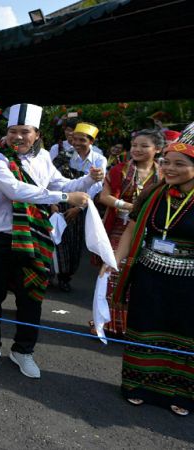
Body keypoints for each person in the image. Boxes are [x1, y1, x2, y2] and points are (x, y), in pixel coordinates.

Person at [0, 103, 102, 379]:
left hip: (32, 236)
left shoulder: (42, 160)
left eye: (24, 132)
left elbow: (62, 183)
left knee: (31, 297)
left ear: (36, 134)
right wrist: (64, 199)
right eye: (13, 131)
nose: (18, 137)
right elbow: (17, 191)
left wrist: (88, 179)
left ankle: (23, 350)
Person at [106, 135, 194, 417]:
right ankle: (138, 385)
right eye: (167, 162)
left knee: (183, 333)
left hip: (188, 282)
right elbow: (131, 230)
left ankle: (181, 393)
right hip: (149, 276)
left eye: (179, 164)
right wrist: (114, 261)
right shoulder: (153, 194)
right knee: (144, 327)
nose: (170, 169)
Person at [97, 129, 162, 336]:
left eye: (144, 146)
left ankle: (130, 326)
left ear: (157, 149)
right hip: (119, 228)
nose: (137, 149)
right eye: (135, 145)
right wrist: (126, 205)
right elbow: (104, 197)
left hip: (150, 231)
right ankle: (108, 323)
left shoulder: (163, 174)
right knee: (113, 273)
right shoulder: (119, 170)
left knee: (139, 278)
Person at [52, 122, 108, 292]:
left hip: (83, 205)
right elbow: (52, 180)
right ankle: (50, 274)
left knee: (74, 243)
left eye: (81, 140)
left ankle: (65, 277)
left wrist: (80, 207)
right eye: (74, 139)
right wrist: (53, 203)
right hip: (60, 200)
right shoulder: (63, 156)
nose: (76, 143)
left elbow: (97, 186)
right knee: (56, 240)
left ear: (91, 141)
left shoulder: (99, 159)